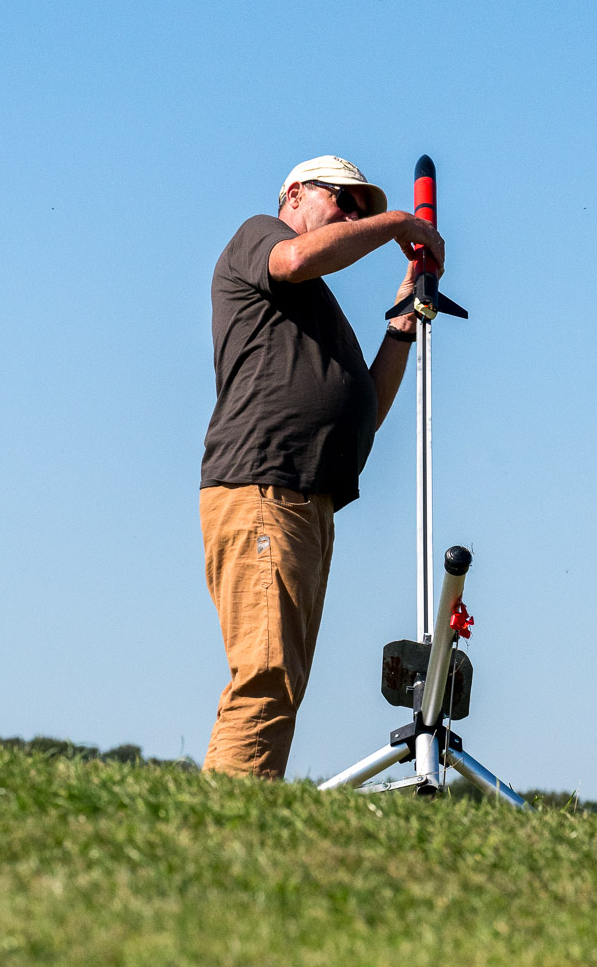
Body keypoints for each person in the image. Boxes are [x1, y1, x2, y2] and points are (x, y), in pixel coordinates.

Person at [199, 155, 446, 779]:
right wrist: (397, 224)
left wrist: (402, 324)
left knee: (281, 680)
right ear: (294, 194)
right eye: (343, 200)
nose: (353, 216)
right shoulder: (261, 236)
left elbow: (365, 413)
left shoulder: (314, 308)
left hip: (305, 499)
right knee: (267, 673)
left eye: (362, 210)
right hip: (264, 488)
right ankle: (222, 826)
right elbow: (294, 260)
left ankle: (237, 817)